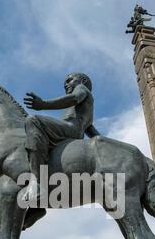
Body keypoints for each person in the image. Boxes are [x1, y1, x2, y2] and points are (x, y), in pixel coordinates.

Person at [22, 72, 100, 202]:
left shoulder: (82, 88)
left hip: (70, 130)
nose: (66, 84)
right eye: (65, 83)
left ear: (83, 80)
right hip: (74, 133)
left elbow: (74, 98)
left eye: (70, 80)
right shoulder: (85, 108)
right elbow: (93, 133)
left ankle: (37, 181)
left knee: (33, 120)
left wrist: (43, 104)